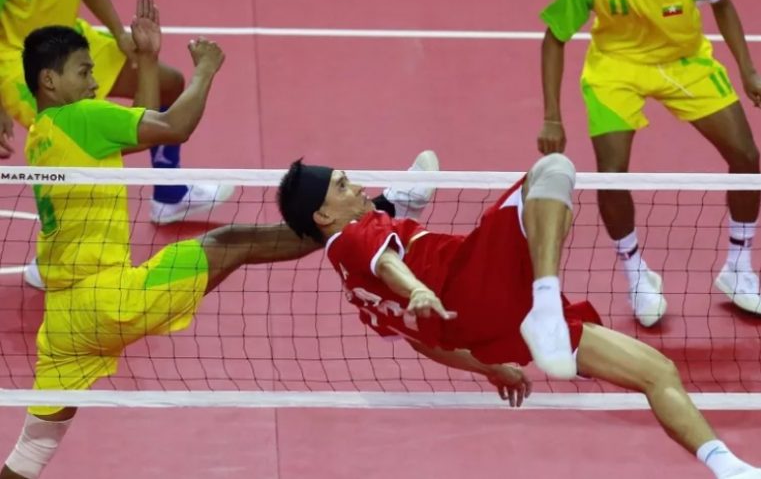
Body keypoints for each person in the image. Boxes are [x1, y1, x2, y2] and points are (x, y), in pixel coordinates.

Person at [0, 0, 434, 478]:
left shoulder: (45, 132)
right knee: (233, 241)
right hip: (111, 300)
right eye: (84, 72)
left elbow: (140, 128)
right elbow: (173, 126)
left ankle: (376, 213)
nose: (95, 80)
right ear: (50, 80)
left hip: (65, 322)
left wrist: (144, 59)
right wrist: (206, 68)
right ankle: (379, 213)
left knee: (32, 450)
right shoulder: (82, 118)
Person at [277, 153, 761, 478]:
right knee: (552, 169)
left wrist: (490, 367)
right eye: (342, 185)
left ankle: (731, 468)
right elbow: (388, 262)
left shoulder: (352, 286)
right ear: (323, 216)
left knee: (658, 373)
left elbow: (425, 343)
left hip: (489, 332)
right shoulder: (356, 239)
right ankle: (545, 297)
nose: (354, 184)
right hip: (474, 282)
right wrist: (420, 287)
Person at [537, 0, 761, 326]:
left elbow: (723, 3)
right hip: (616, 69)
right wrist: (552, 117)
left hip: (685, 63)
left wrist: (748, 71)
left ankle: (739, 266)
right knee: (611, 175)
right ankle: (636, 274)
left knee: (746, 158)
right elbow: (554, 38)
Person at [0, 0, 232, 223]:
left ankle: (170, 194)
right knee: (79, 144)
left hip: (68, 40)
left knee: (167, 85)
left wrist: (120, 33)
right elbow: (148, 134)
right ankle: (57, 239)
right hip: (20, 59)